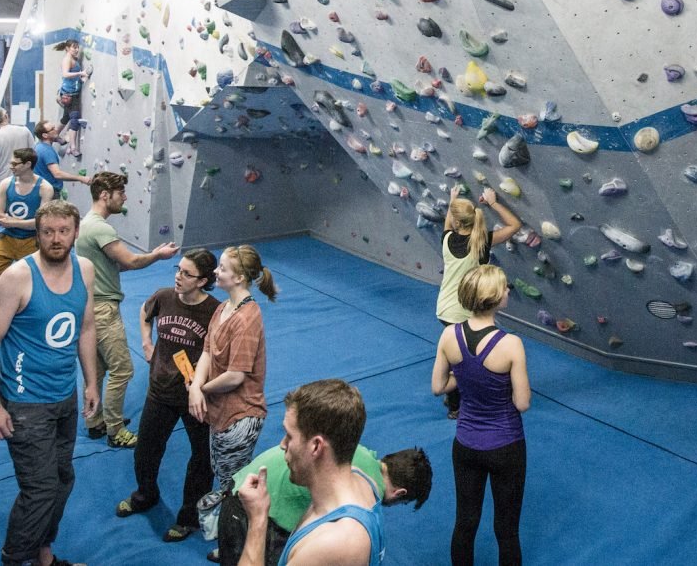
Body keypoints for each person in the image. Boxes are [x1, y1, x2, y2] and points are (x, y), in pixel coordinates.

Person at [0, 199, 100, 566]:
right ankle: (15, 559)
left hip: (65, 395)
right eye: (48, 232)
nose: (56, 238)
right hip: (25, 401)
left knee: (62, 480)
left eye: (64, 231)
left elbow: (86, 327)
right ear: (37, 234)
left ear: (75, 232)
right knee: (40, 489)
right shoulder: (17, 277)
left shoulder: (86, 270)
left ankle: (43, 556)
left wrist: (92, 382)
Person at [115, 249, 221, 543]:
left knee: (202, 459)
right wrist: (147, 342)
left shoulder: (214, 311)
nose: (178, 276)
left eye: (186, 273)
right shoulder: (164, 296)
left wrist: (202, 384)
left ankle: (189, 518)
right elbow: (145, 311)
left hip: (195, 397)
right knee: (145, 451)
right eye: (178, 269)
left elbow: (219, 353)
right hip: (160, 391)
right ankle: (145, 495)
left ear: (202, 281)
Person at [431, 265, 530, 566]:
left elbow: (438, 386)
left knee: (465, 522)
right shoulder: (511, 344)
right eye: (505, 287)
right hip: (506, 445)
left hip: (465, 446)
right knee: (507, 530)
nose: (509, 290)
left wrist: (467, 374)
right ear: (495, 297)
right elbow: (522, 402)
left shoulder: (449, 335)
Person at [74, 171, 180, 447]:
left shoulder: (88, 224)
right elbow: (130, 262)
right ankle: (115, 430)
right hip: (102, 309)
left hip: (89, 306)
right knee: (122, 370)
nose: (125, 197)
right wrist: (158, 254)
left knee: (96, 370)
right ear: (105, 195)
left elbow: (114, 264)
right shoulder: (100, 227)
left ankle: (95, 422)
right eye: (121, 192)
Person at [232, 379, 384, 566]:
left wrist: (257, 519)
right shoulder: (364, 480)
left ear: (316, 446)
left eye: (289, 436)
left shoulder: (333, 543)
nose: (282, 444)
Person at [191, 245, 277, 560]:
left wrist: (202, 390)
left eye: (223, 269)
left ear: (239, 277)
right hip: (220, 411)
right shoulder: (223, 308)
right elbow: (206, 351)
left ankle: (236, 544)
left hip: (240, 415)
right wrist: (196, 387)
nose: (216, 272)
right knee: (227, 477)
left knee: (234, 486)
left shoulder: (247, 318)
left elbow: (236, 375)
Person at [220, 444, 431, 566]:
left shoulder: (359, 451)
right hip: (247, 503)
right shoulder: (363, 496)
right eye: (400, 503)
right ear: (400, 493)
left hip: (248, 482)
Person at [435, 185, 520, 418]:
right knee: (461, 360)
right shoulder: (482, 242)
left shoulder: (447, 238)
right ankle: (455, 405)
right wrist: (493, 203)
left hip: (444, 307)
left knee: (459, 355)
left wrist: (452, 199)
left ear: (457, 222)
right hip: (462, 311)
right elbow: (514, 226)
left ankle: (453, 399)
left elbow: (448, 224)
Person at [0, 148, 55, 284]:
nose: (11, 167)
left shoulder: (45, 188)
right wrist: (20, 223)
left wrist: (12, 222)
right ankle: (15, 289)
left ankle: (22, 294)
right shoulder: (6, 184)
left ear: (28, 164)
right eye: (11, 163)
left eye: (15, 164)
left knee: (36, 279)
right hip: (8, 237)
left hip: (31, 239)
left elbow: (41, 223)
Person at [0, 107, 36, 197]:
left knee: (4, 209)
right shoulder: (24, 130)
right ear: (6, 116)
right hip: (25, 179)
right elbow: (34, 153)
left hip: (2, 181)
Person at [32, 120, 89, 198]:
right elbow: (57, 174)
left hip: (43, 190)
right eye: (52, 129)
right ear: (45, 135)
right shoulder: (46, 151)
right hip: (49, 192)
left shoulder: (39, 147)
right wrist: (81, 178)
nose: (56, 130)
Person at [55, 41, 87, 158]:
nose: (76, 50)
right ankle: (73, 148)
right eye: (74, 48)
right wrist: (81, 73)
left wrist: (81, 78)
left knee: (66, 117)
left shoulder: (73, 58)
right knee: (75, 119)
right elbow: (65, 74)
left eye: (77, 48)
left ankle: (55, 135)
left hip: (72, 92)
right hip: (69, 94)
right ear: (67, 48)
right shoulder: (67, 60)